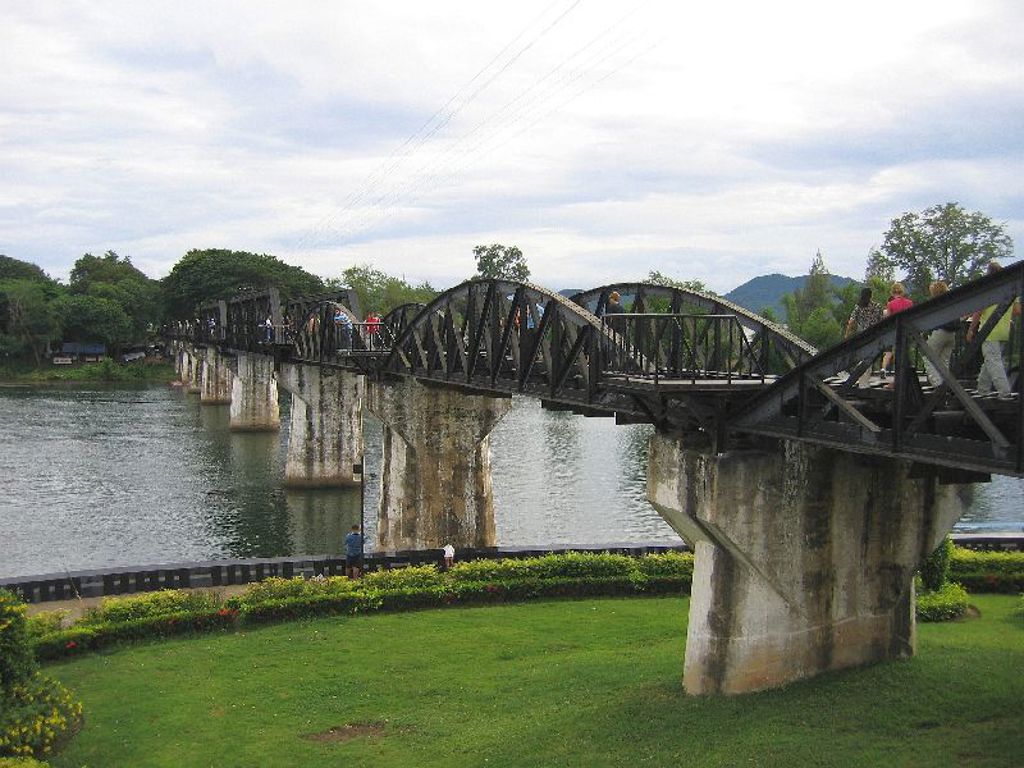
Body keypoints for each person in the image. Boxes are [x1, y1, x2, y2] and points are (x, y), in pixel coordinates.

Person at [967, 262, 1021, 400]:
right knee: (990, 361)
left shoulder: (987, 290)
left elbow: (978, 311)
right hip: (1004, 330)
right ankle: (982, 389)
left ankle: (1005, 392)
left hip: (989, 331)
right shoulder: (1010, 289)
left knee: (993, 361)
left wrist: (971, 329)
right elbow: (1017, 311)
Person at [844, 287, 884, 385]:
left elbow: (851, 321)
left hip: (862, 335)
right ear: (871, 295)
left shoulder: (858, 307)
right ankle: (864, 382)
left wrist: (847, 334)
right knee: (870, 358)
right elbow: (881, 320)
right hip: (874, 334)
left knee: (862, 358)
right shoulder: (877, 306)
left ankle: (862, 382)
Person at [922, 281, 958, 388]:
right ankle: (946, 385)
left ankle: (938, 385)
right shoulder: (952, 301)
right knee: (944, 362)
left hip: (940, 331)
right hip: (952, 334)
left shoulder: (936, 302)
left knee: (928, 357)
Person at [880, 282, 914, 377]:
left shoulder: (890, 304)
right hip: (906, 331)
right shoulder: (909, 303)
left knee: (892, 353)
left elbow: (889, 320)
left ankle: (890, 373)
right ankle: (905, 375)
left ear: (892, 292)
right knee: (905, 353)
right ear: (902, 291)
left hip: (894, 332)